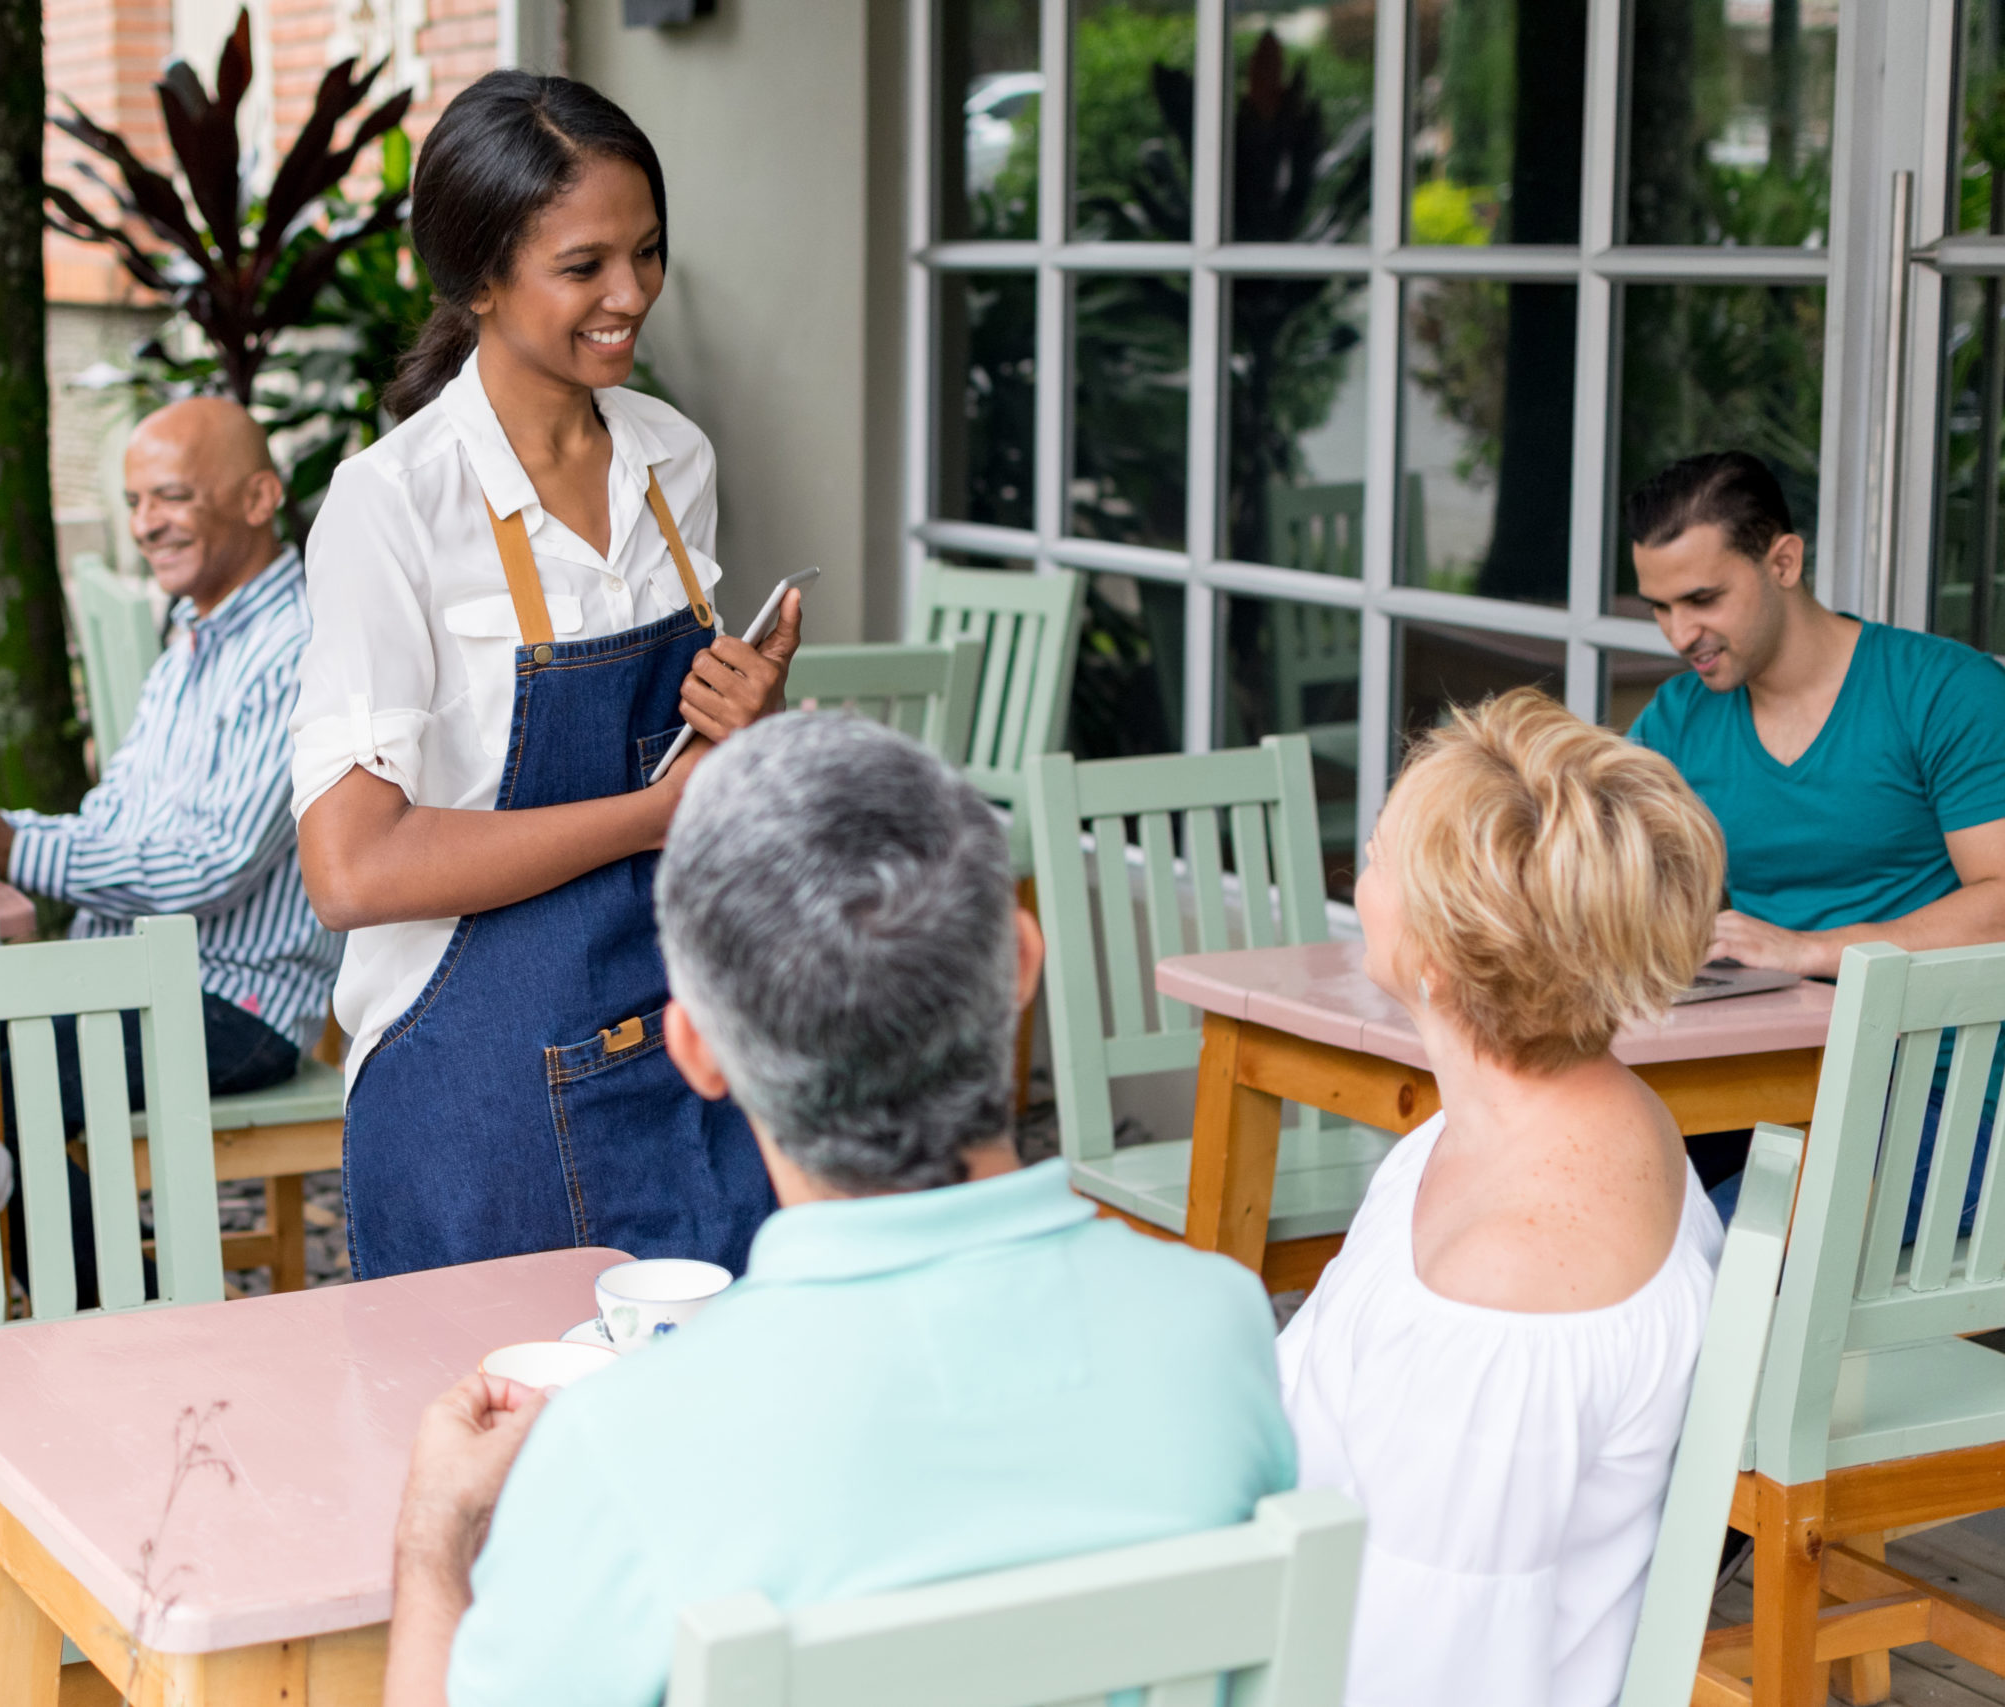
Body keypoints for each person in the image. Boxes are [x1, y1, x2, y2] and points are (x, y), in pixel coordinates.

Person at [380, 714, 1297, 1707]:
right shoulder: (1220, 1326)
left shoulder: (622, 1450)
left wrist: (433, 1537)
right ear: (1022, 961)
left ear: (697, 1052)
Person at [292, 72, 797, 1281]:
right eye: (585, 268)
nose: (632, 296)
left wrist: (742, 728)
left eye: (649, 252)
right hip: (475, 1093)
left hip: (683, 1040)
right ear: (476, 279)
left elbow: (686, 777)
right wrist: (647, 815)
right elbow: (351, 867)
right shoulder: (390, 505)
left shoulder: (675, 460)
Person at [1277, 689, 1729, 1707]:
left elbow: (1424, 1670)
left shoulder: (1507, 1290)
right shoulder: (1528, 1120)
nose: (1360, 867)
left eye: (1383, 853)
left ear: (1441, 960)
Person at [0, 396, 339, 1099]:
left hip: (230, 1008)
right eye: (135, 502)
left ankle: (108, 1219)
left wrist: (12, 846)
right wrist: (1, 828)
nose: (145, 524)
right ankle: (107, 1218)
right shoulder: (190, 642)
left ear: (260, 497)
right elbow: (114, 815)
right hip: (137, 984)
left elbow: (212, 864)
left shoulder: (296, 647)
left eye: (171, 497)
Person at [1627, 450, 2005, 1218]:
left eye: (1702, 598)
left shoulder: (1945, 694)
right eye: (1660, 606)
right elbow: (1604, 875)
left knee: (1719, 1251)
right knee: (1585, 1200)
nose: (1679, 633)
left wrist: (1809, 950)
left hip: (1952, 1102)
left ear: (1784, 561)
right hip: (1779, 1080)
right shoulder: (1677, 719)